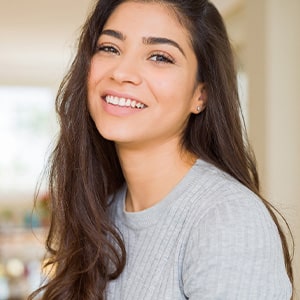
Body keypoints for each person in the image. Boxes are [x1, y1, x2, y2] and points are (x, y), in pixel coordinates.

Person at [29, 0, 294, 299]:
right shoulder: (101, 213)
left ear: (200, 95)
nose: (122, 72)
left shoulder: (227, 219)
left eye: (159, 56)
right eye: (110, 48)